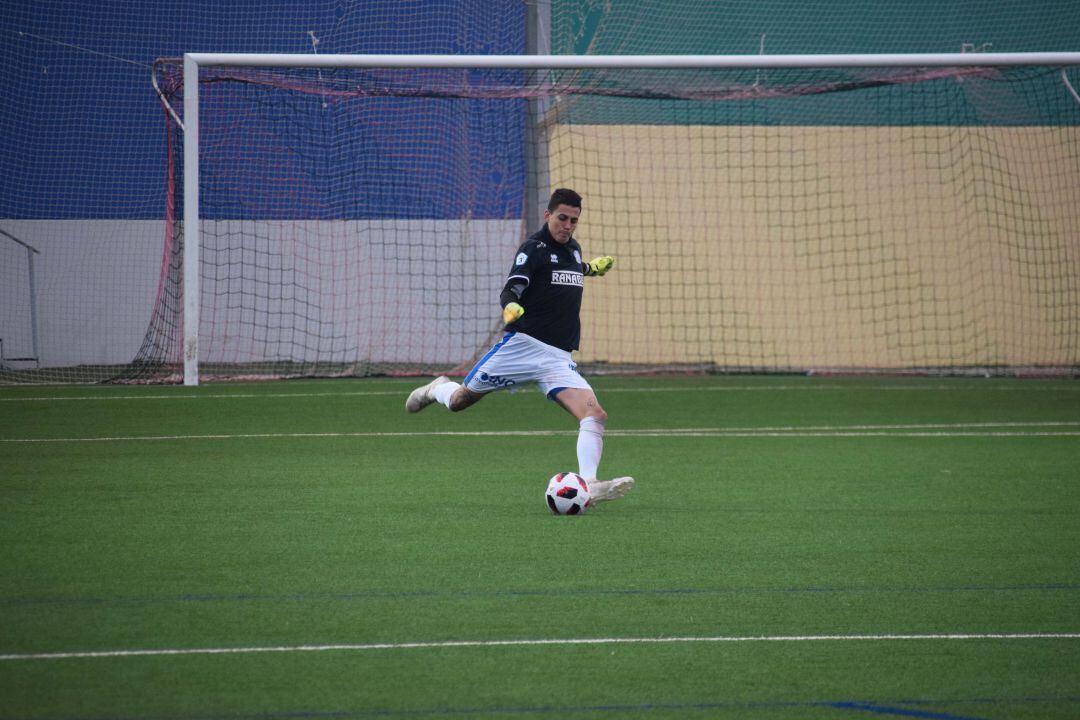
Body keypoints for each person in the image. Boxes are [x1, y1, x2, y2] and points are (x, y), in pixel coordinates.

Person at [405, 188, 634, 504]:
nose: (567, 226)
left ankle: (590, 484)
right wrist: (510, 306)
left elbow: (568, 270)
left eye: (574, 221)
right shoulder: (533, 248)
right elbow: (513, 286)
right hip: (522, 347)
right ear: (548, 215)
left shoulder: (574, 250)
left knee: (595, 415)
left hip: (557, 358)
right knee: (460, 401)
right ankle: (437, 389)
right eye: (562, 218)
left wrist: (591, 268)